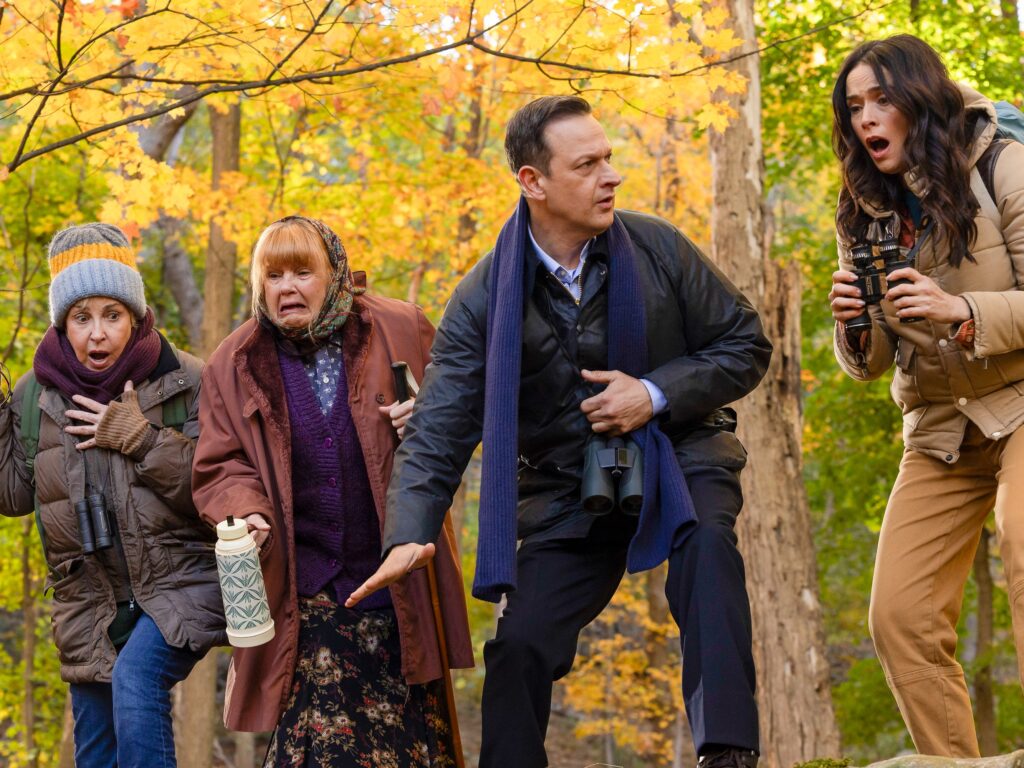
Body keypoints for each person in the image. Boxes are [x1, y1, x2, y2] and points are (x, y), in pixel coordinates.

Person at [349, 96, 772, 768]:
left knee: (709, 550)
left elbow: (745, 344)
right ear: (533, 181)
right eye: (587, 165)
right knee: (518, 647)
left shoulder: (658, 247)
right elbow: (438, 428)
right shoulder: (483, 297)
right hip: (565, 487)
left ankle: (727, 754)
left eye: (609, 159)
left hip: (679, 452)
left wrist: (652, 394)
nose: (611, 176)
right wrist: (408, 533)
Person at [191, 215, 473, 766]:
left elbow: (459, 417)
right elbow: (220, 464)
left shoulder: (400, 327)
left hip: (398, 587)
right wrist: (246, 510)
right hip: (306, 594)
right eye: (273, 276)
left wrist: (426, 421)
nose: (287, 288)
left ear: (335, 275)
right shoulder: (234, 361)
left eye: (302, 272)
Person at [828, 35, 1024, 756]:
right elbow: (871, 363)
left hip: (1021, 401)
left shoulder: (1003, 163)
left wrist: (962, 311)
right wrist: (854, 323)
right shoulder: (862, 209)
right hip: (941, 427)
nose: (866, 118)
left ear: (920, 99)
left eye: (882, 99)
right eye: (855, 106)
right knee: (899, 616)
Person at [0, 223, 223, 767]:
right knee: (96, 751)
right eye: (82, 317)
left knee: (135, 679)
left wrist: (141, 439)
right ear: (63, 323)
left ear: (136, 315)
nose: (97, 334)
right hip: (88, 600)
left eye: (112, 315)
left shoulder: (186, 380)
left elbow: (217, 491)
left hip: (178, 583)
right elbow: (12, 496)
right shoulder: (34, 396)